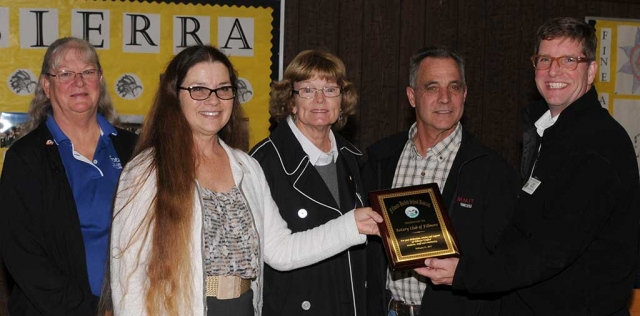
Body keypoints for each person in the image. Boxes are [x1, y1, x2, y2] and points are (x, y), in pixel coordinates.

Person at [108, 45, 382, 316]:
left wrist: (352, 225)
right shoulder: (145, 172)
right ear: (174, 96)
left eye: (223, 89)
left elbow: (280, 251)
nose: (213, 100)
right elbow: (129, 279)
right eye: (198, 89)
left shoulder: (247, 167)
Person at [416, 17, 640, 316]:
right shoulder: (551, 134)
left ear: (592, 72)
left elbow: (551, 252)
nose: (553, 71)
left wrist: (466, 273)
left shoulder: (597, 147)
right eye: (544, 59)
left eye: (569, 60)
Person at [362, 46, 519, 316]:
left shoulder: (491, 171)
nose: (445, 98)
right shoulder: (380, 159)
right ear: (412, 96)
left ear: (465, 94)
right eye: (432, 87)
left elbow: (510, 263)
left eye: (454, 87)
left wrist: (463, 272)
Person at [0, 37, 137, 316]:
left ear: (99, 80)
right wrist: (94, 311)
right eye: (65, 74)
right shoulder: (25, 159)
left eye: (87, 72)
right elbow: (23, 256)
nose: (79, 82)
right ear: (46, 86)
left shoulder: (133, 148)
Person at [249, 50, 368, 316]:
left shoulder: (354, 159)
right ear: (290, 102)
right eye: (307, 90)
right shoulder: (263, 162)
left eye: (329, 89)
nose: (320, 99)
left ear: (342, 100)